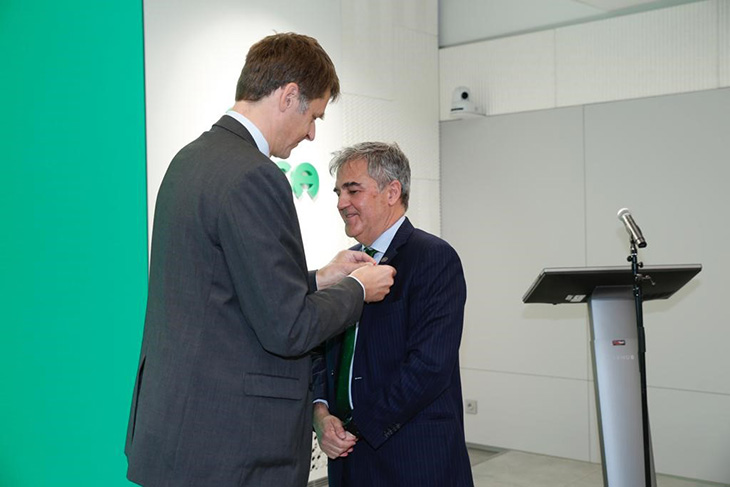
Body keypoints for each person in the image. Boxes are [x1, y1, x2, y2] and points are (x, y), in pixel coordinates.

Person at [124, 33, 396, 487]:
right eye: (313, 115)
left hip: (178, 433)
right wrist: (357, 289)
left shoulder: (188, 161)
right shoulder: (256, 175)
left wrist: (317, 279)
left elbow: (223, 291)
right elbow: (288, 328)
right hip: (230, 446)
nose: (312, 132)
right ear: (289, 95)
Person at [312, 142, 474, 486]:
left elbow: (429, 367)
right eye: (339, 192)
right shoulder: (345, 264)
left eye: (352, 190)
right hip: (348, 458)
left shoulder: (433, 258)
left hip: (411, 461)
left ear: (392, 192)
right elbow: (320, 348)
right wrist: (321, 413)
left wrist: (357, 427)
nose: (341, 203)